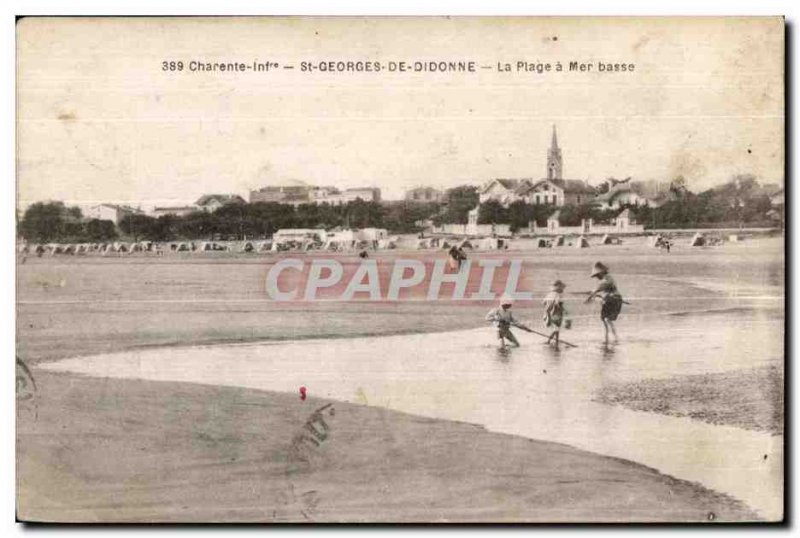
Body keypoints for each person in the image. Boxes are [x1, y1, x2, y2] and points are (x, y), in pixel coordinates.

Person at [585, 262, 623, 344]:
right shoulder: (606, 278)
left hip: (613, 300)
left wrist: (590, 297)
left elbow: (599, 289)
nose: (597, 277)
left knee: (607, 319)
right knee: (605, 320)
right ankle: (608, 338)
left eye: (597, 275)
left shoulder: (607, 279)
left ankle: (614, 338)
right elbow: (600, 290)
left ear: (601, 273)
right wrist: (592, 294)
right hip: (610, 299)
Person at [542, 280, 569, 348]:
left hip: (548, 314)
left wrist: (548, 308)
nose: (563, 289)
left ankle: (555, 340)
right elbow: (558, 304)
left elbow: (543, 303)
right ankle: (549, 340)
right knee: (556, 329)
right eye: (562, 288)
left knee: (556, 328)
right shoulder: (557, 295)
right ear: (559, 288)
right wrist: (565, 311)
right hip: (556, 313)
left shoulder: (549, 294)